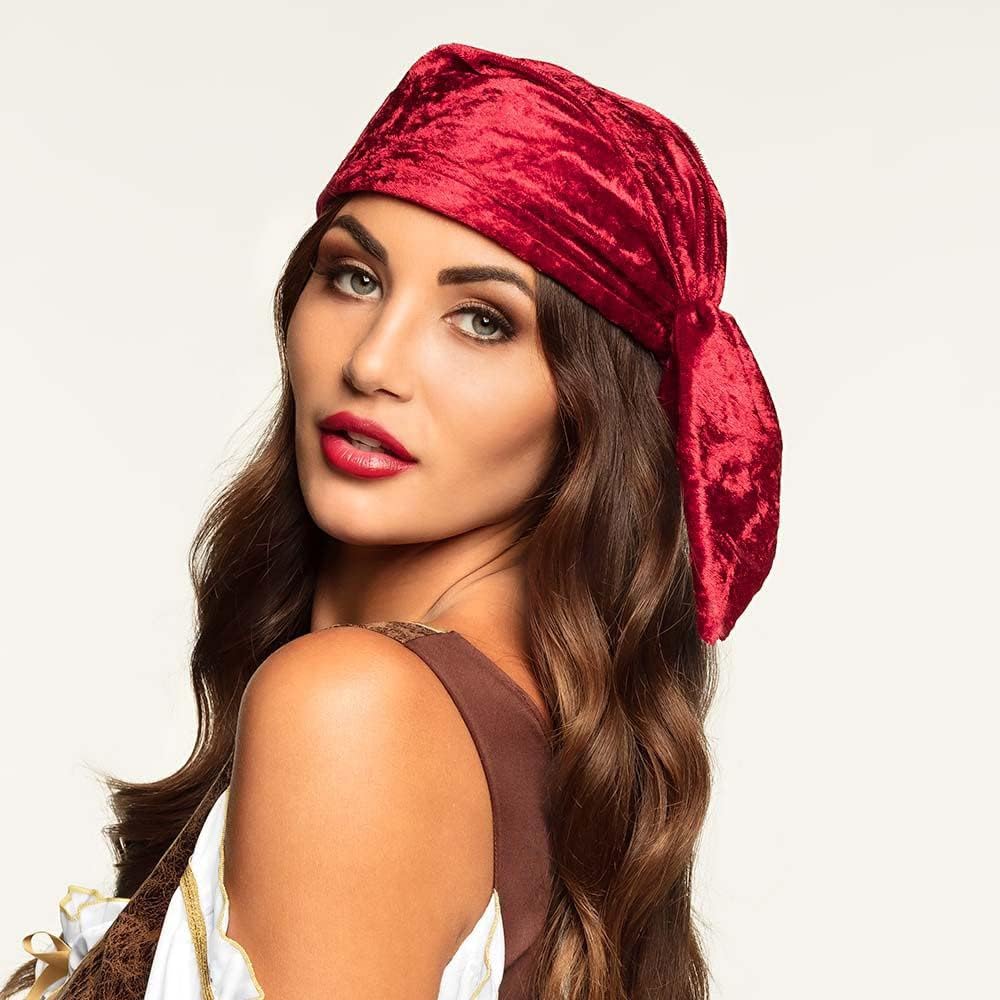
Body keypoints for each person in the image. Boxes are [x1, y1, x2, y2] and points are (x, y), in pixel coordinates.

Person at [6, 42, 782, 1000]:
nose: (372, 361)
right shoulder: (527, 738)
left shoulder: (358, 708)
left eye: (483, 319)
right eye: (354, 277)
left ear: (591, 407)